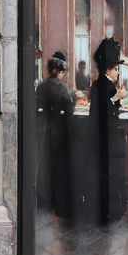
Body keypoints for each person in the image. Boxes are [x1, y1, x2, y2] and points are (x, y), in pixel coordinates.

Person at [89, 38, 128, 224]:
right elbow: (101, 111)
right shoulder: (101, 85)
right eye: (116, 69)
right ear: (108, 69)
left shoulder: (104, 84)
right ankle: (106, 214)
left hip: (105, 136)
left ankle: (108, 212)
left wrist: (116, 98)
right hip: (104, 136)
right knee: (107, 173)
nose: (118, 72)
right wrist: (116, 98)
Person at [35, 53, 75, 221]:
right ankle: (60, 207)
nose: (63, 74)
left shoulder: (41, 87)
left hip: (42, 131)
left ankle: (45, 204)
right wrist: (74, 97)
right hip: (57, 131)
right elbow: (69, 110)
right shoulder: (63, 88)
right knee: (59, 169)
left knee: (45, 168)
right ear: (57, 71)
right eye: (62, 71)